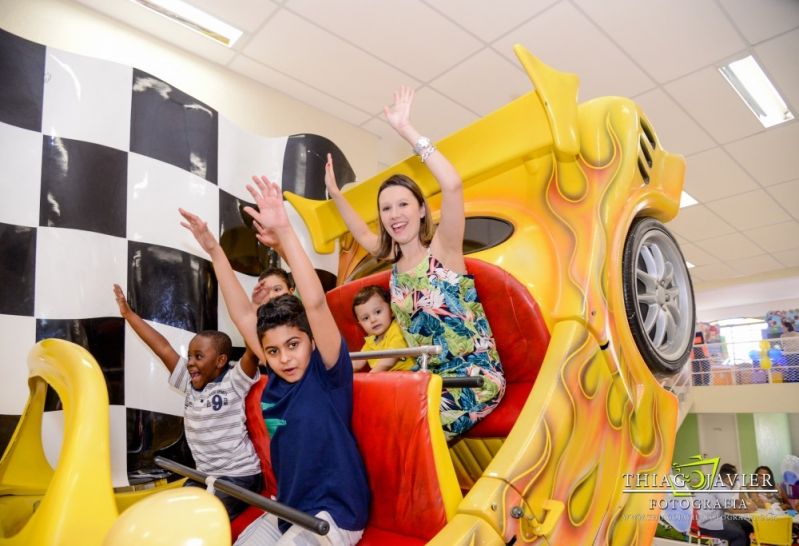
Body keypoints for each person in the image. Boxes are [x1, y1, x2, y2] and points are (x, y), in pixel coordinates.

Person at [324, 86, 505, 440]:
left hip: (473, 379)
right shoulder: (392, 262)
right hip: (430, 380)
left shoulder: (443, 250)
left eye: (403, 204)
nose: (395, 215)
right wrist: (335, 195)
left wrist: (406, 129)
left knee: (401, 433)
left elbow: (451, 185)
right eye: (386, 208)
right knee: (366, 419)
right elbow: (360, 231)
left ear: (421, 209)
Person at [221, 176, 369, 545]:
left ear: (312, 343)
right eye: (273, 351)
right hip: (288, 507)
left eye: (294, 345)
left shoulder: (328, 374)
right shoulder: (272, 379)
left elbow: (316, 302)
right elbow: (242, 315)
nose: (285, 358)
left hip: (334, 514)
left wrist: (285, 231)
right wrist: (213, 250)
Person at [112, 284, 262, 519]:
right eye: (190, 356)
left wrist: (254, 308)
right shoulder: (189, 384)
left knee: (203, 520)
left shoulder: (234, 381)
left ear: (221, 360)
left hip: (240, 477)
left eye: (199, 357)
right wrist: (129, 315)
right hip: (205, 476)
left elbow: (253, 349)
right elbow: (162, 347)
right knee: (176, 515)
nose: (190, 362)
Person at [351, 284, 413, 372]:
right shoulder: (371, 341)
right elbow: (358, 362)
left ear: (391, 310)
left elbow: (389, 360)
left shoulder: (397, 329)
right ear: (360, 324)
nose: (373, 320)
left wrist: (371, 376)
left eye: (378, 312)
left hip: (408, 376)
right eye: (365, 318)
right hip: (387, 380)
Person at [695, 463, 754, 546]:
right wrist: (750, 509)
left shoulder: (714, 482)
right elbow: (732, 509)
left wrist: (740, 503)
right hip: (709, 524)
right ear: (727, 479)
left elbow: (728, 503)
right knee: (739, 534)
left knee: (747, 525)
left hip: (709, 519)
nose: (735, 481)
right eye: (734, 478)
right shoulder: (720, 486)